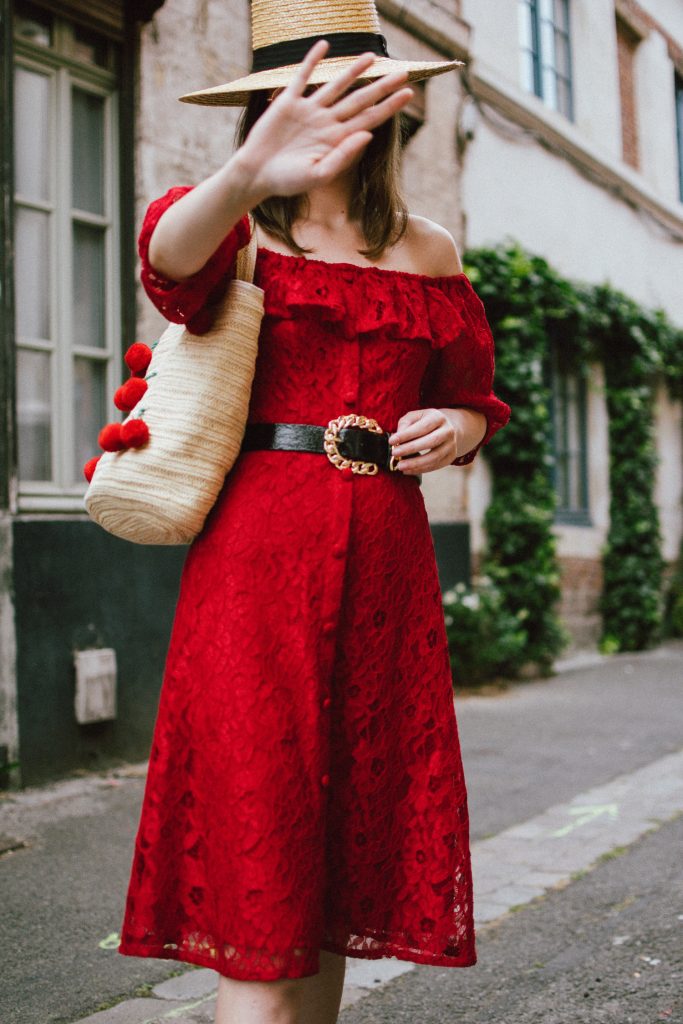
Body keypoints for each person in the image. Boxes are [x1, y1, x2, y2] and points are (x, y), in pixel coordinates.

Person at [117, 5, 511, 1023]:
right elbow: (165, 259)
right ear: (266, 106)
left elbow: (477, 395)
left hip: (386, 580)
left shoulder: (429, 250)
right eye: (305, 94)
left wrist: (454, 431)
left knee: (334, 887)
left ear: (384, 109)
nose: (331, 115)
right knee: (263, 867)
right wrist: (251, 172)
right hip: (256, 571)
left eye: (350, 93)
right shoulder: (232, 222)